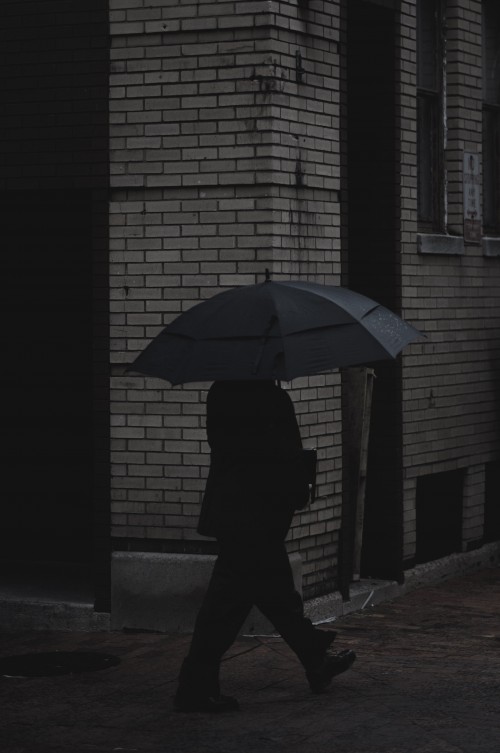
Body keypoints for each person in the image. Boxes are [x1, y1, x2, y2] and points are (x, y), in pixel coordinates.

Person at [174, 380, 355, 713]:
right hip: (259, 519)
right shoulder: (272, 399)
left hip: (232, 516)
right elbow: (284, 458)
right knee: (226, 607)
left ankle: (316, 659)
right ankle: (195, 687)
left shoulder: (220, 392)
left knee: (275, 594)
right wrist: (300, 488)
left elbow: (229, 450)